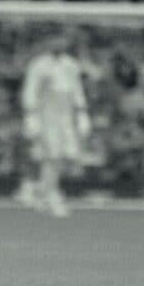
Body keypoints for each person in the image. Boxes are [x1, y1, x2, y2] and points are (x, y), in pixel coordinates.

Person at [17, 34, 90, 218]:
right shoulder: (39, 65)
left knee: (69, 156)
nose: (59, 44)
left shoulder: (71, 65)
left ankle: (39, 189)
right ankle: (51, 195)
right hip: (46, 115)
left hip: (66, 116)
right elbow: (30, 90)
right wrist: (31, 115)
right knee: (51, 156)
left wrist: (82, 113)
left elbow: (77, 90)